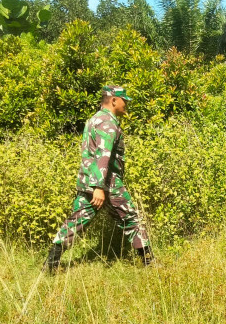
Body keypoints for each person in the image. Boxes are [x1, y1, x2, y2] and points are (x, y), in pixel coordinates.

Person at [43, 85, 153, 272]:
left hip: (88, 180)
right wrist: (99, 187)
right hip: (107, 183)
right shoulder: (108, 123)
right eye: (124, 100)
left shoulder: (93, 119)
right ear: (113, 100)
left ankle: (51, 264)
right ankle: (150, 263)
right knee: (132, 220)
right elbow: (103, 155)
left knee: (76, 220)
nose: (126, 104)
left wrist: (93, 184)